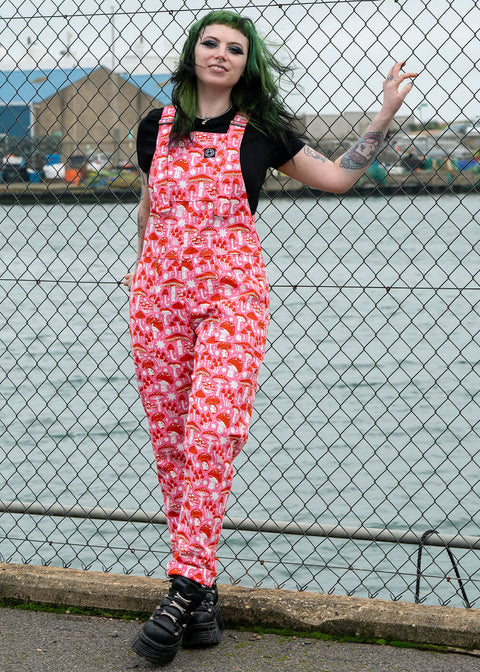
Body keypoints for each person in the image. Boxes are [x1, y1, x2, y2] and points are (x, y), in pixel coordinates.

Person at [123, 9, 417, 666]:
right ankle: (203, 601)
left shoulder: (263, 131)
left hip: (232, 300)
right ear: (192, 53)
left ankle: (181, 588)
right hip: (157, 302)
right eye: (210, 43)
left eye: (235, 48)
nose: (221, 54)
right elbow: (149, 206)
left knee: (211, 433)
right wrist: (139, 264)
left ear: (246, 64)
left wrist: (384, 115)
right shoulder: (154, 126)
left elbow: (338, 176)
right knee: (172, 449)